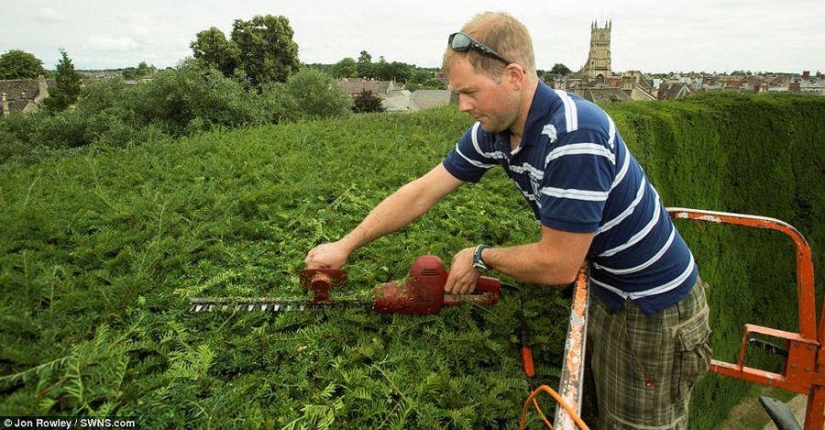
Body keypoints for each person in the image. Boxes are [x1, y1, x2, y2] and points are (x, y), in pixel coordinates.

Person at [305, 11, 712, 429]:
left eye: (470, 92)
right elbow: (423, 191)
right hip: (611, 291)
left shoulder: (574, 137)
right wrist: (344, 246)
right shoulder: (497, 132)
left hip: (650, 310)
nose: (462, 105)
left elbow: (557, 265)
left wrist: (482, 256)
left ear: (514, 76)